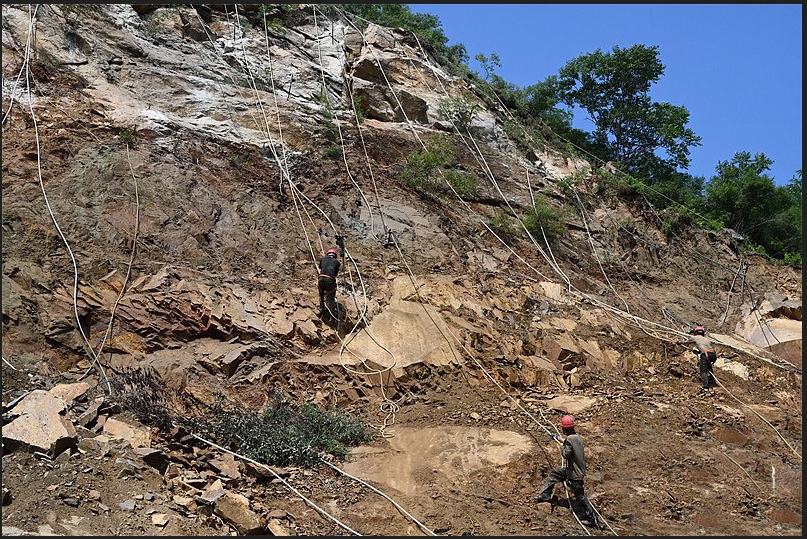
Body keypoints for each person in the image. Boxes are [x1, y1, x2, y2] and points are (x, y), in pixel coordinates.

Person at [535, 415, 599, 527]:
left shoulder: (570, 440)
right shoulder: (576, 437)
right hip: (572, 471)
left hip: (574, 474)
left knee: (580, 497)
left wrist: (563, 448)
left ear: (564, 429)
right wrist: (557, 438)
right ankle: (545, 495)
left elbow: (566, 454)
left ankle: (592, 520)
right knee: (555, 473)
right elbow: (568, 441)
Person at [684, 325, 718, 390]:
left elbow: (686, 342)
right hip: (713, 354)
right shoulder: (707, 339)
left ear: (696, 332)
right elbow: (705, 347)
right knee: (708, 365)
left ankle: (706, 386)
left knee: (703, 371)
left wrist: (679, 342)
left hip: (705, 354)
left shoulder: (694, 337)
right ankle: (711, 379)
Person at [318, 247, 341, 317]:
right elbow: (335, 274)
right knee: (331, 296)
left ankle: (321, 307)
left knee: (321, 293)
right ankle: (332, 313)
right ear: (335, 256)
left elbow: (320, 267)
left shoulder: (323, 259)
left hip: (321, 278)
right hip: (330, 279)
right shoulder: (337, 262)